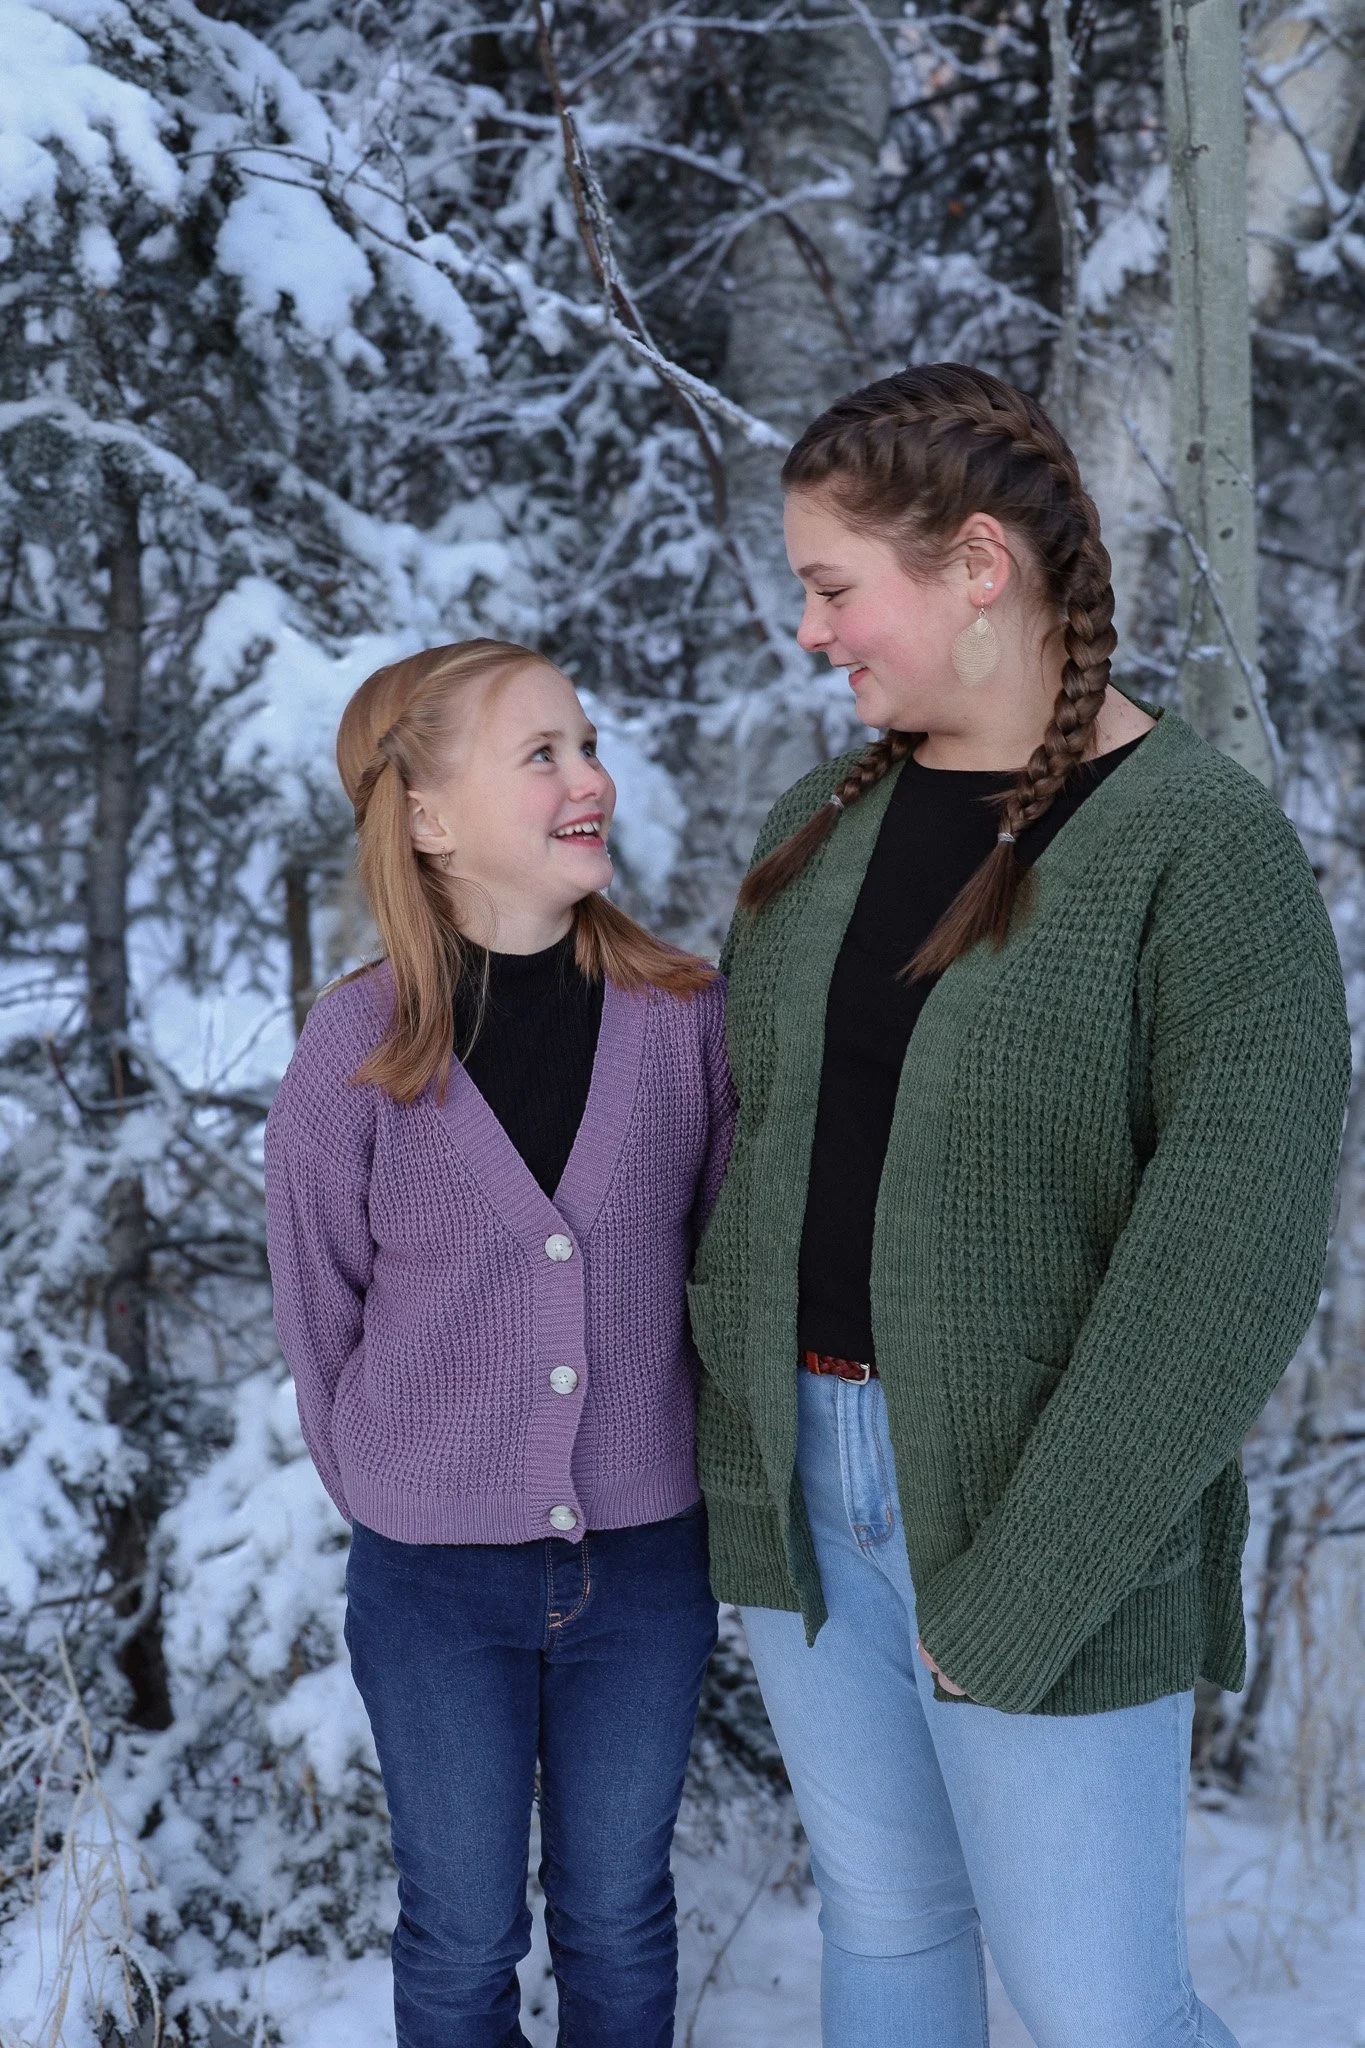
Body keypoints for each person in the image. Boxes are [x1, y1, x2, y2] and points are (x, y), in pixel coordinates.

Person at [689, 364, 1351, 2048]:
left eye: (836, 585)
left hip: (1038, 1510)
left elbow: (1230, 1259)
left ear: (977, 563)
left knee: (1099, 2012)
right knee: (892, 1931)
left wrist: (1030, 1576)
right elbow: (749, 1151)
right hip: (805, 1504)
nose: (811, 629)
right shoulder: (819, 824)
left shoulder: (1199, 852)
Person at [264, 639, 735, 2048]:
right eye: (543, 755)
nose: (591, 778)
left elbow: (724, 1259)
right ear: (428, 816)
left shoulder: (685, 1023)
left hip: (646, 1565)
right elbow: (316, 1306)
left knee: (617, 1912)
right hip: (432, 1590)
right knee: (463, 1934)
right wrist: (403, 1491)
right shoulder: (354, 1052)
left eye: (588, 745)